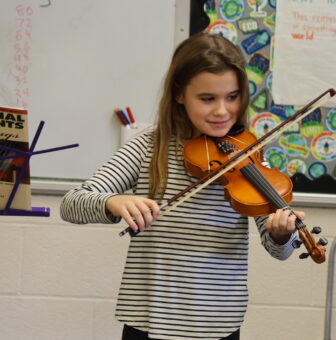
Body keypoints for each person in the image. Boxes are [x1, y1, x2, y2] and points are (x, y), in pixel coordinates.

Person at [60, 33, 301, 340]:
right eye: (207, 98)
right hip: (149, 323)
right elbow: (72, 203)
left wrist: (282, 234)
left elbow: (277, 249)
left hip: (217, 325)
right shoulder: (149, 147)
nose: (222, 111)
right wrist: (114, 202)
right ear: (179, 94)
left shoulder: (249, 156)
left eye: (232, 97)